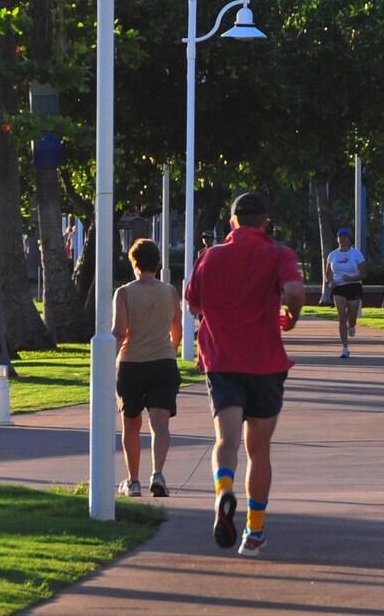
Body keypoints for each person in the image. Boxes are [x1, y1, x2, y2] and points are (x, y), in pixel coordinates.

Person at [183, 192, 306, 558]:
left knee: (226, 440)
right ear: (265, 222)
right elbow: (296, 290)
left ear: (232, 222)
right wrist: (292, 317)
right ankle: (254, 531)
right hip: (266, 362)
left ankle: (223, 490)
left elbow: (193, 302)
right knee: (259, 450)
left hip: (223, 361)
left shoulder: (211, 255)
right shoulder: (278, 254)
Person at [112, 237, 182, 497]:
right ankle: (158, 474)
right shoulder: (169, 291)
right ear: (157, 262)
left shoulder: (124, 293)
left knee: (131, 423)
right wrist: (169, 350)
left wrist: (111, 360)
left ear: (134, 263)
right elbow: (178, 330)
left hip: (132, 364)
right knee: (160, 423)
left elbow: (120, 331)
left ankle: (132, 481)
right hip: (163, 363)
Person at [325, 227, 365, 359]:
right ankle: (345, 348)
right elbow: (328, 274)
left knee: (351, 316)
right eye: (339, 237)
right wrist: (329, 281)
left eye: (344, 237)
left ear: (349, 239)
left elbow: (363, 273)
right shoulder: (333, 255)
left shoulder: (356, 254)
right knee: (342, 316)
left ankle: (352, 325)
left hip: (353, 286)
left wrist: (352, 278)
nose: (342, 239)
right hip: (338, 288)